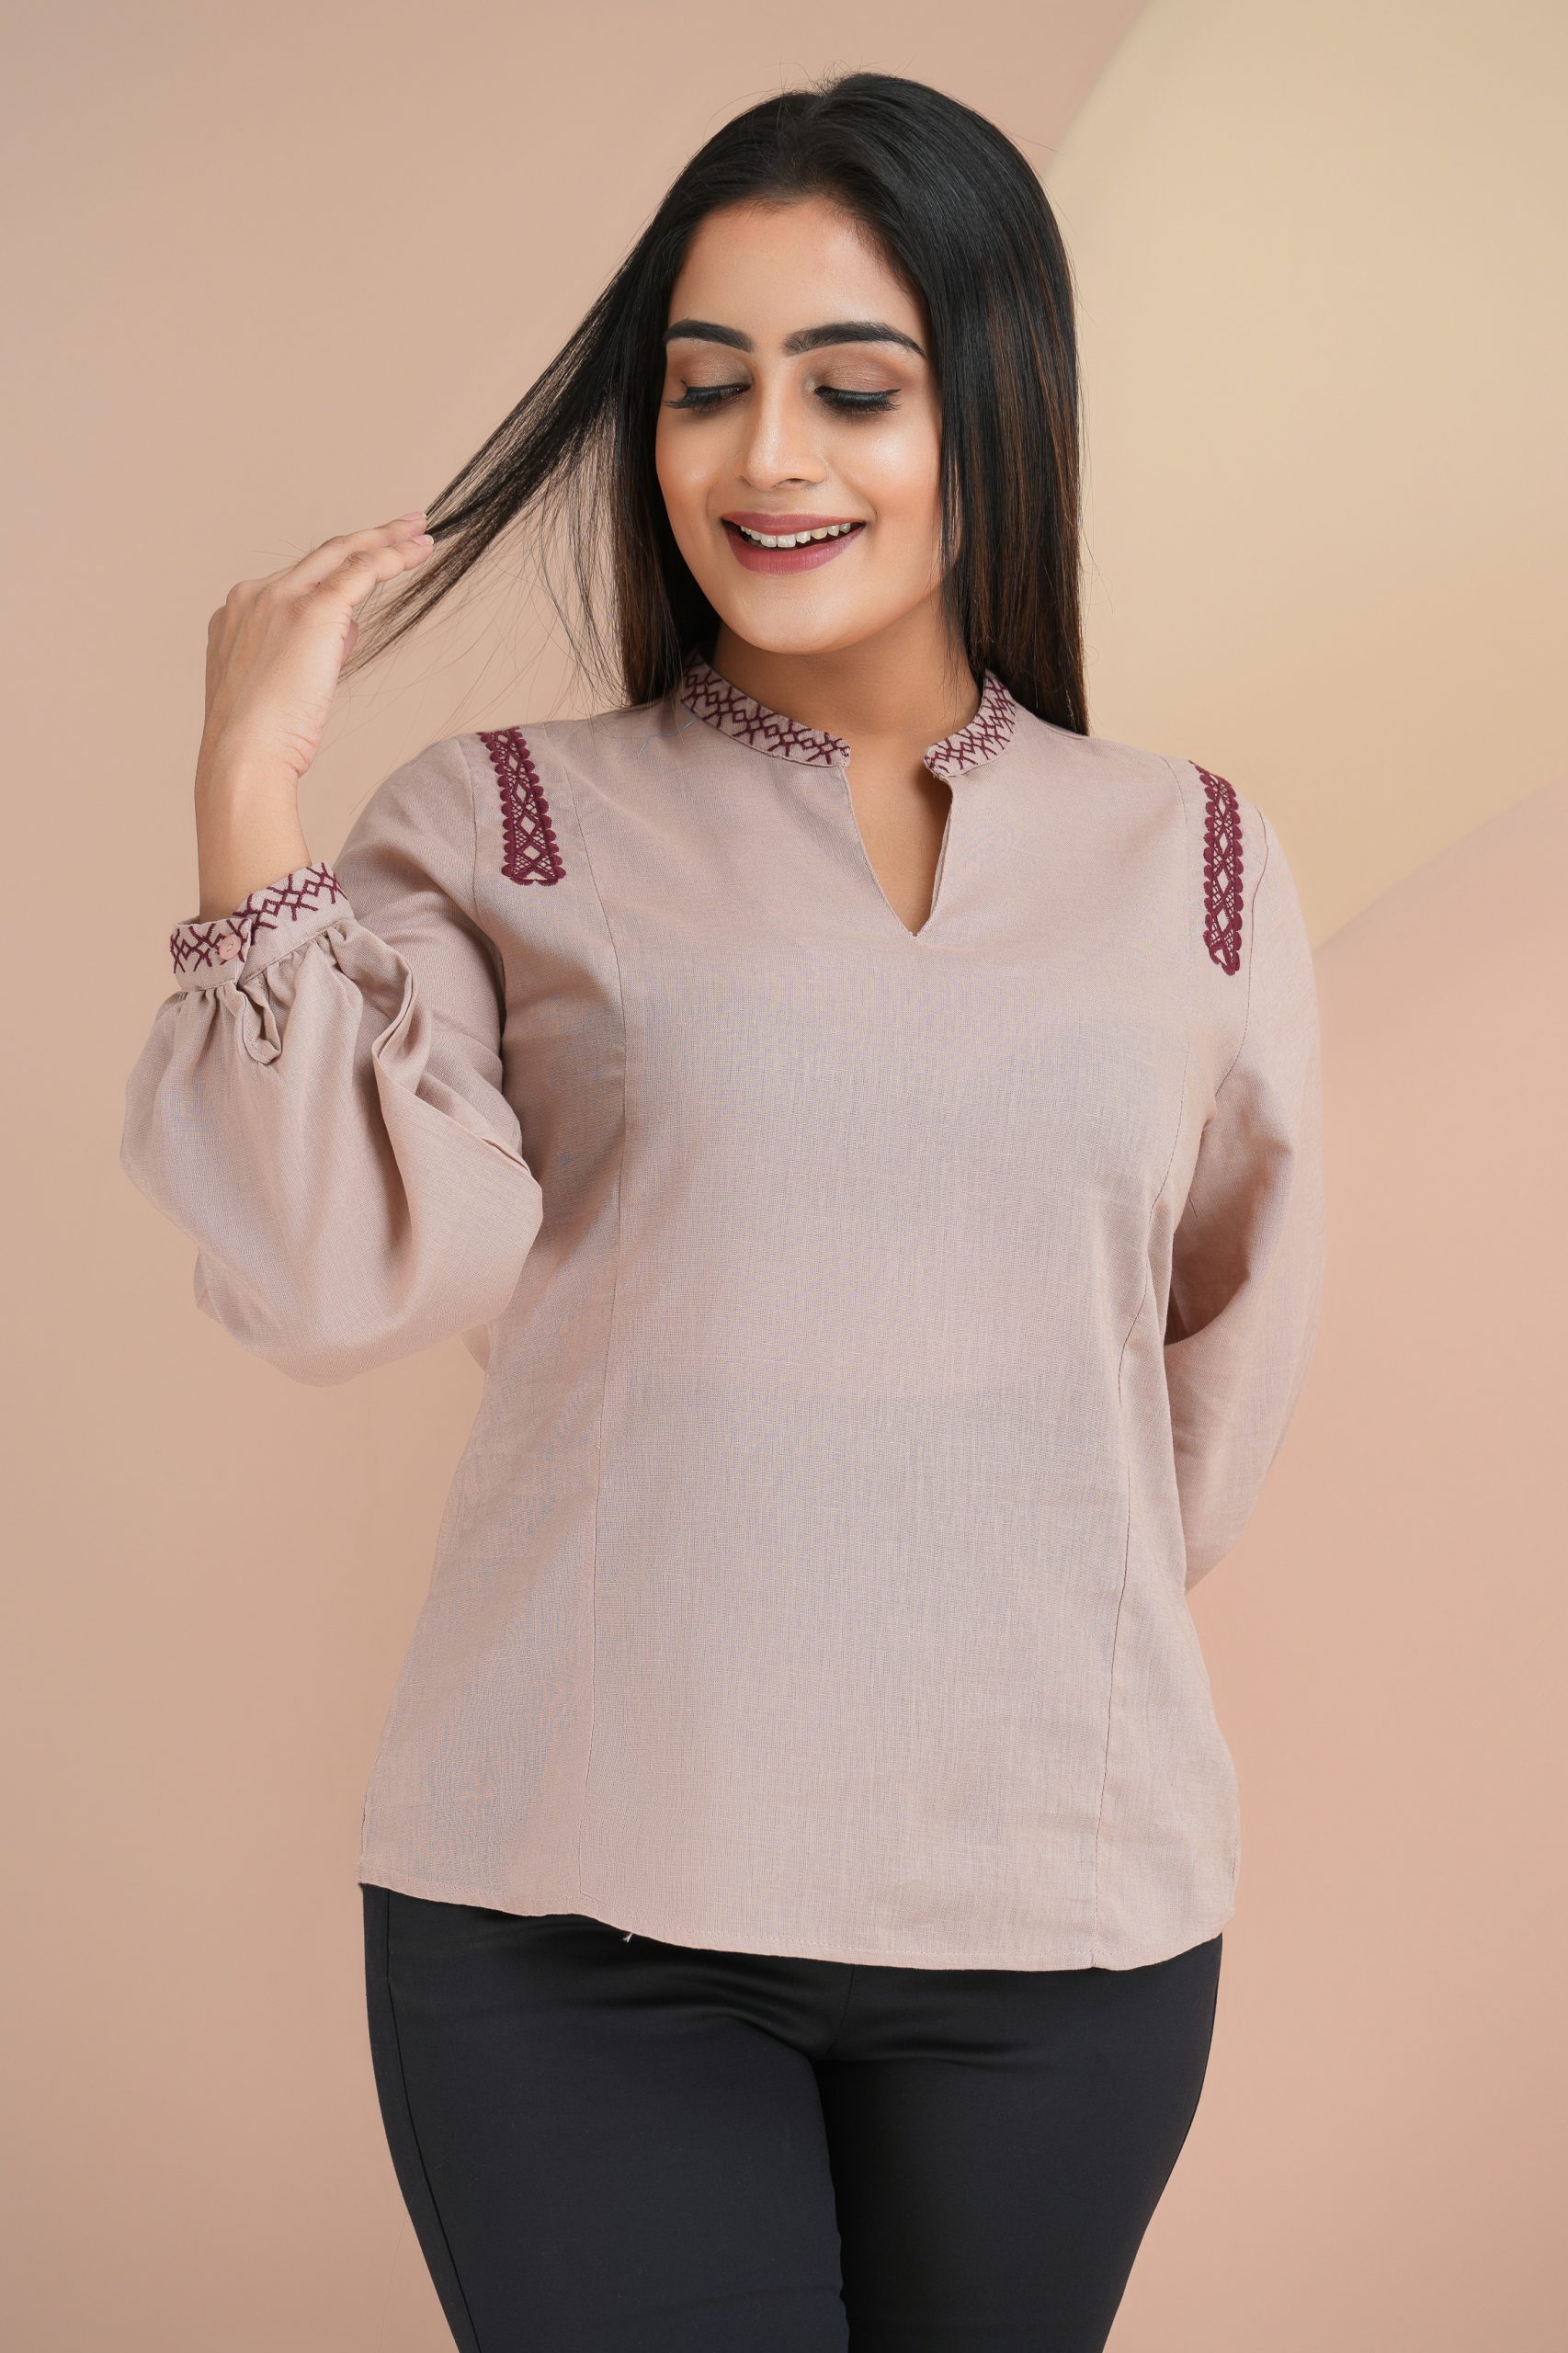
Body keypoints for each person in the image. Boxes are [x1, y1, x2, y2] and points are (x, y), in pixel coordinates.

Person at [119, 68, 1325, 2353]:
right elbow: (341, 1270)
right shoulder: (503, 822)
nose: (765, 456)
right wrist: (247, 791)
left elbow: (1207, 1384)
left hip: (1058, 1920)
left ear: (994, 403)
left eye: (851, 388)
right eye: (703, 388)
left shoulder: (1196, 859)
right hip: (572, 1916)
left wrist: (984, 1638)